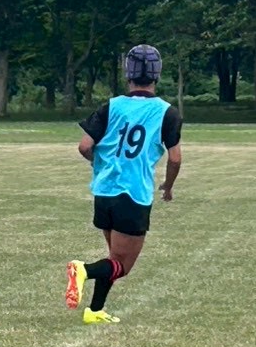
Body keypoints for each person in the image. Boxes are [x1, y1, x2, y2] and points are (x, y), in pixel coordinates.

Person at [65, 44, 182, 324]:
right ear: (157, 74)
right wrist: (168, 186)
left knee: (114, 258)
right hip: (133, 194)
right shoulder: (167, 112)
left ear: (127, 73)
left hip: (104, 192)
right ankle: (83, 270)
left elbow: (84, 146)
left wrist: (99, 164)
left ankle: (95, 311)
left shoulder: (112, 106)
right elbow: (175, 158)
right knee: (122, 265)